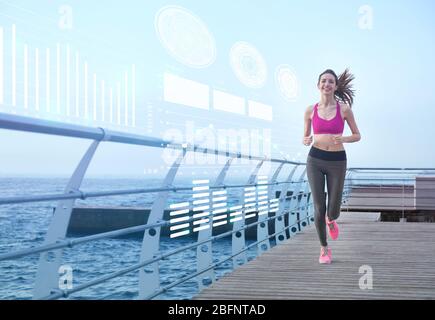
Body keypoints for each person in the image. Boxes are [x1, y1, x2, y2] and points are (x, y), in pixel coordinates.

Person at [302, 68, 361, 264]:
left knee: (333, 208)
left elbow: (357, 135)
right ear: (318, 85)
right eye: (323, 81)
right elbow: (305, 136)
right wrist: (305, 139)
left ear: (335, 86)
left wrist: (343, 138)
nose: (326, 84)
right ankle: (324, 249)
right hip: (315, 159)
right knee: (319, 207)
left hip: (337, 161)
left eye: (330, 82)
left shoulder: (344, 109)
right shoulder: (310, 110)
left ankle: (331, 219)